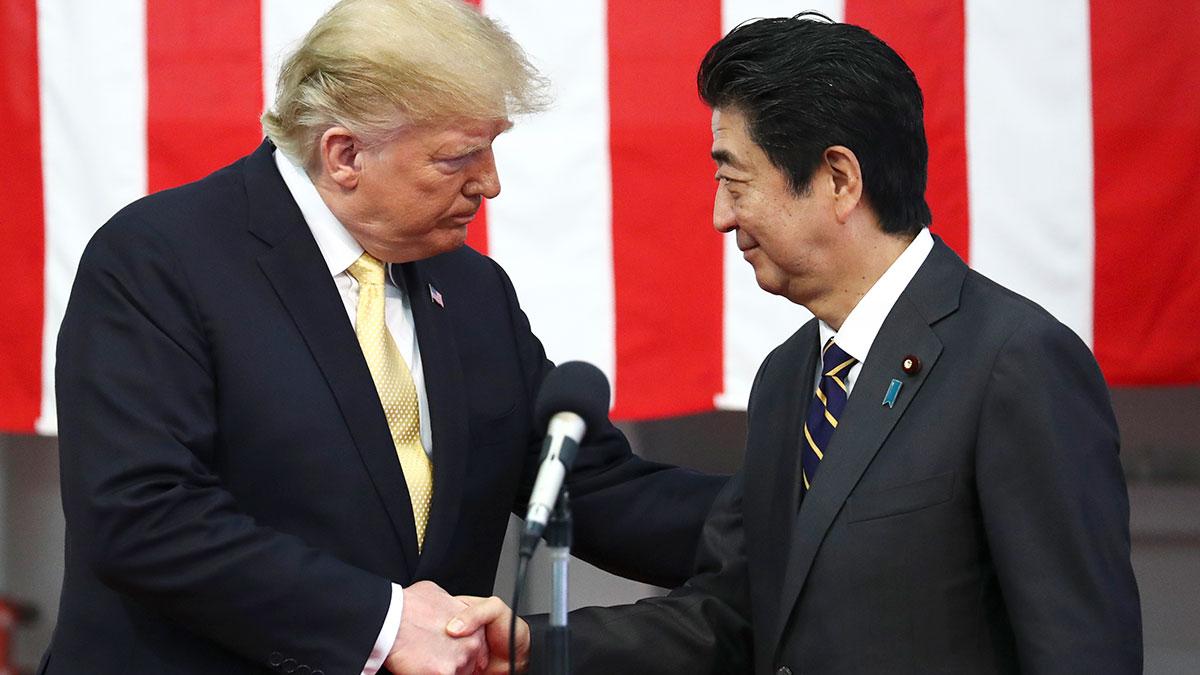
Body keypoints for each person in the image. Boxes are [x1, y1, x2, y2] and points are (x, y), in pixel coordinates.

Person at [43, 1, 726, 673]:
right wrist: (384, 622)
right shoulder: (161, 259)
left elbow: (587, 485)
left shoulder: (472, 289)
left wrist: (807, 517)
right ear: (344, 154)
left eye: (491, 150)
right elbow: (142, 515)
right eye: (460, 157)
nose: (490, 183)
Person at [453, 13, 1143, 674]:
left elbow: (1080, 649)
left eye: (735, 179)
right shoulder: (790, 377)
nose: (721, 216)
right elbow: (728, 616)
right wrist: (531, 649)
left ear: (838, 180)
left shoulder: (1015, 362)